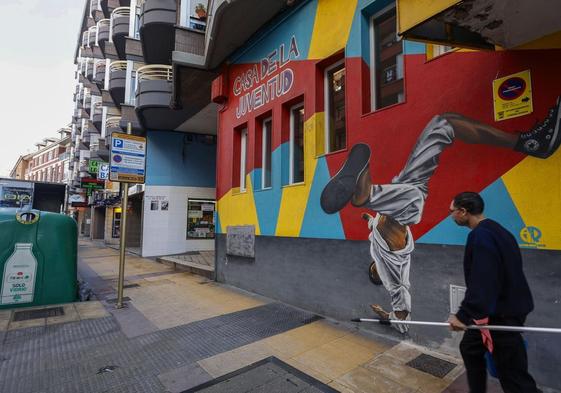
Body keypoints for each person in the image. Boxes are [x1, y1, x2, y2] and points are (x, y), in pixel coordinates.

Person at [320, 97, 560, 333]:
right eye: (375, 272)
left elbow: (372, 224)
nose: (374, 269)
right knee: (401, 205)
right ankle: (366, 195)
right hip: (407, 207)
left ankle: (531, 143)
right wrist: (387, 316)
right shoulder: (395, 279)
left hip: (403, 189)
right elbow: (403, 318)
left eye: (373, 269)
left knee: (444, 125)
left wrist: (369, 220)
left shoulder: (373, 245)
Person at [448, 192, 539, 393]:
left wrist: (463, 315)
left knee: (514, 376)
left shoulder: (480, 236)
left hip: (503, 314)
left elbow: (484, 279)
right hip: (493, 310)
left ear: (463, 211)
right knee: (470, 348)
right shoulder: (499, 231)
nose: (452, 216)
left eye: (452, 212)